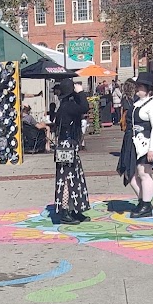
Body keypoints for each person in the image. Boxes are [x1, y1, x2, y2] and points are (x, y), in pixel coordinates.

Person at [118, 73, 153, 217]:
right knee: (129, 173)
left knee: (144, 173)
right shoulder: (137, 102)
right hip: (131, 142)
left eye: (140, 86)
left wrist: (152, 148)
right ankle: (143, 200)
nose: (137, 89)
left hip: (146, 142)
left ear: (148, 89)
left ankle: (146, 204)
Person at [51, 80, 91, 222]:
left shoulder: (64, 106)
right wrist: (80, 92)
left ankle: (74, 209)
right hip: (67, 146)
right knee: (68, 178)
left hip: (66, 145)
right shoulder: (69, 106)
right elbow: (85, 107)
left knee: (74, 178)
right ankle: (65, 211)